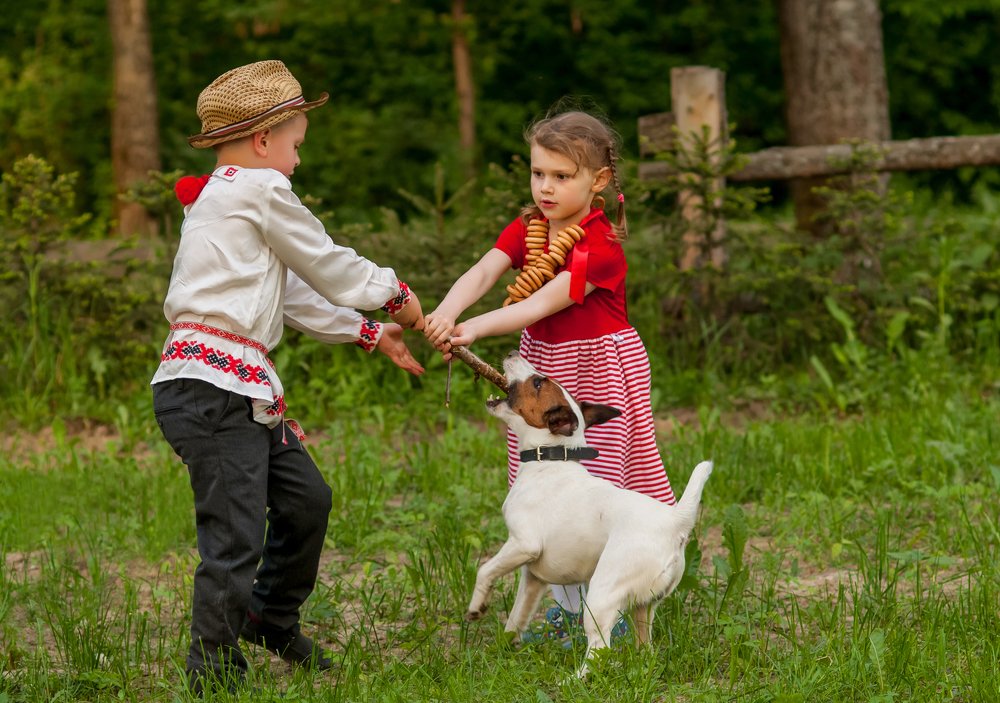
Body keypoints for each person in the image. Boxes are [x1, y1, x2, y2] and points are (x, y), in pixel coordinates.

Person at [150, 60, 424, 695]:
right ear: (264, 139)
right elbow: (327, 262)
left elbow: (291, 290)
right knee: (236, 533)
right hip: (210, 387)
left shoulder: (226, 196)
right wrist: (393, 295)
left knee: (307, 501)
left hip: (238, 386)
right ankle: (211, 667)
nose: (298, 162)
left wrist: (369, 332)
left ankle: (269, 616)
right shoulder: (257, 189)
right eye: (297, 146)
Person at [423, 108, 674, 640]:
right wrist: (445, 313)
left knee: (598, 479)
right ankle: (566, 605)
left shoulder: (598, 246)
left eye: (562, 177)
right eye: (539, 173)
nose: (547, 187)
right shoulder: (531, 228)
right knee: (544, 481)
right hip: (547, 365)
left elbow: (537, 305)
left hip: (599, 366)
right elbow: (486, 268)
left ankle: (614, 601)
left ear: (598, 180)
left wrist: (471, 330)